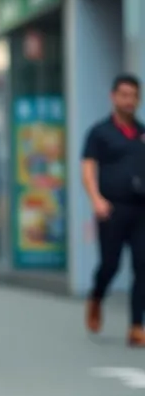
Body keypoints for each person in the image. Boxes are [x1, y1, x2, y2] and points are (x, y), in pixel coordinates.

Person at [82, 74, 145, 346]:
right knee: (111, 264)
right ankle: (96, 297)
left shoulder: (142, 133)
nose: (129, 101)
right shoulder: (100, 132)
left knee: (143, 266)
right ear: (113, 97)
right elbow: (88, 168)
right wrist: (96, 199)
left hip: (141, 207)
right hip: (111, 208)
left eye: (134, 96)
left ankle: (136, 326)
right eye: (124, 95)